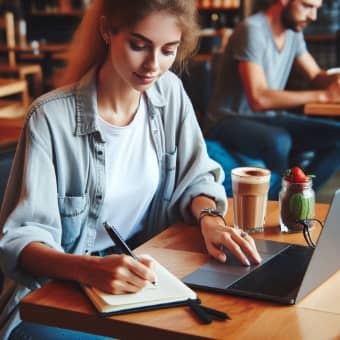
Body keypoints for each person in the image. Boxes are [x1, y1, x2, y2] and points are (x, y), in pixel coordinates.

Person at [0, 1, 261, 338]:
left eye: (169, 50)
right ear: (107, 30)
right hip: (56, 290)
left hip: (146, 271)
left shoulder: (169, 93)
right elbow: (21, 241)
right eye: (139, 46)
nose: (153, 65)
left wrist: (211, 220)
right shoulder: (50, 119)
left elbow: (195, 176)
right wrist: (91, 269)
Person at [208, 0, 340, 191]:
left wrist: (334, 82)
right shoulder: (252, 30)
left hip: (268, 119)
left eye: (316, 9)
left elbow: (316, 76)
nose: (313, 16)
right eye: (307, 6)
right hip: (228, 119)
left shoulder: (293, 33)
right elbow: (259, 99)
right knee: (279, 140)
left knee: (337, 136)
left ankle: (298, 197)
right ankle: (278, 205)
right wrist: (324, 96)